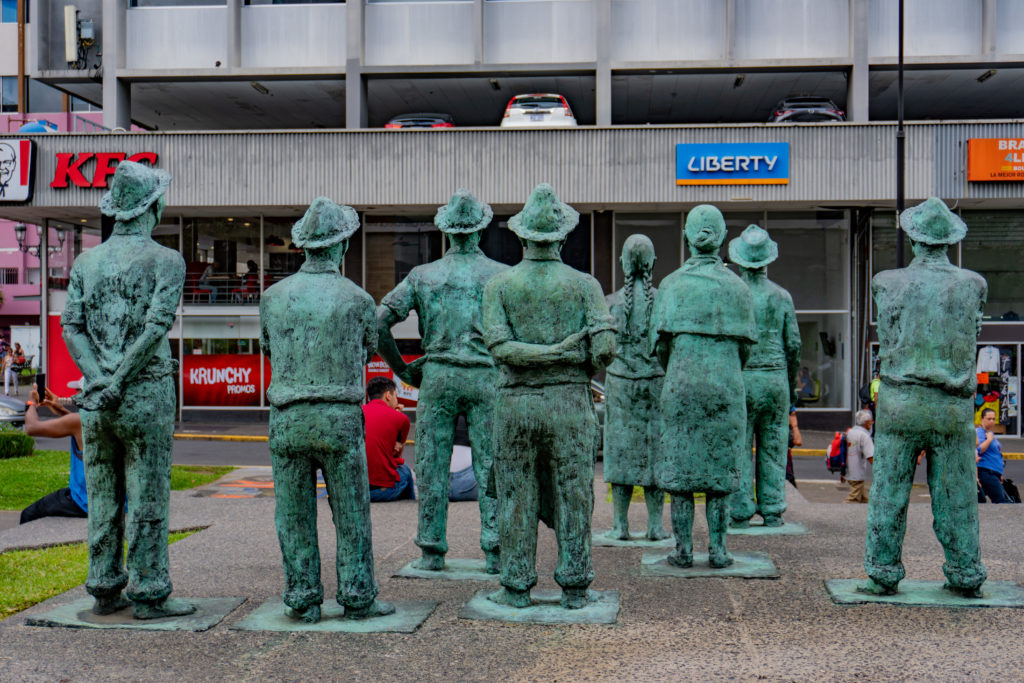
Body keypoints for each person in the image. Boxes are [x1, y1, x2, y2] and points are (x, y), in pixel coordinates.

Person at [62, 160, 195, 619]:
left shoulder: (86, 262)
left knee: (102, 494)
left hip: (96, 399)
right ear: (152, 207)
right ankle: (150, 591)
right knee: (148, 494)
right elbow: (157, 327)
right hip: (145, 392)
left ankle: (103, 587)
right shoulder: (166, 260)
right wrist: (117, 380)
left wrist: (98, 378)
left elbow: (71, 327)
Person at [482, 183, 616, 609]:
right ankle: (575, 584)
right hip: (569, 404)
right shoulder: (585, 286)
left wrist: (535, 357)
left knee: (515, 494)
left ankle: (516, 584)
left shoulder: (499, 286)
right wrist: (562, 354)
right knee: (574, 493)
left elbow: (501, 349)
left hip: (515, 404)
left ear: (522, 237)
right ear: (563, 236)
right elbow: (605, 350)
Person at [260, 197, 393, 623]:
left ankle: (303, 597)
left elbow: (268, 348)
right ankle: (357, 595)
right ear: (342, 247)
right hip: (338, 415)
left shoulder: (273, 297)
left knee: (293, 514)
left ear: (304, 246)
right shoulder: (357, 299)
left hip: (288, 417)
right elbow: (368, 349)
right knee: (351, 513)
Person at [862, 197, 988, 598]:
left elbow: (889, 337)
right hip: (952, 404)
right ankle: (965, 571)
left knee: (889, 492)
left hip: (901, 399)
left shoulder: (886, 281)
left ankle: (882, 570)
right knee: (958, 495)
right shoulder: (973, 285)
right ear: (948, 241)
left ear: (914, 240)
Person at [377, 189, 506, 573]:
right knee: (491, 464)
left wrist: (403, 370)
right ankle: (495, 549)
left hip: (438, 376)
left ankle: (431, 550)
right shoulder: (500, 276)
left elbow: (380, 322)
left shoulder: (423, 276)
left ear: (445, 231)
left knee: (432, 463)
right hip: (485, 376)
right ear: (481, 230)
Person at [651, 204, 756, 569]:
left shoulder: (670, 285)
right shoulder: (738, 288)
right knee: (720, 473)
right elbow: (745, 349)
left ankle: (682, 549)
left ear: (686, 238)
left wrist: (682, 368)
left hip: (681, 383)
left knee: (681, 475)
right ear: (724, 238)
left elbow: (661, 347)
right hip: (726, 385)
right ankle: (719, 549)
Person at [727, 224, 801, 528]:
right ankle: (772, 508)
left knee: (741, 447)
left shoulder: (734, 295)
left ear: (741, 261)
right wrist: (791, 384)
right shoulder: (781, 297)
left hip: (743, 378)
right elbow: (793, 345)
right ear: (767, 261)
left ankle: (741, 509)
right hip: (774, 380)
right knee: (773, 445)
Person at [602, 234, 668, 541]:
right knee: (654, 451)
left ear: (624, 264)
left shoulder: (610, 303)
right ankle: (655, 525)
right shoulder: (663, 302)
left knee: (619, 452)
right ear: (652, 263)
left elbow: (600, 350)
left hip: (619, 384)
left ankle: (620, 525)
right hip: (655, 383)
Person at [19, 386, 87, 524]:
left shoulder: (80, 421)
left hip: (82, 500)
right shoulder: (104, 418)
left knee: (28, 515)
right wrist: (60, 409)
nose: (75, 393)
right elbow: (76, 426)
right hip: (114, 500)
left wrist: (31, 403)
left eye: (78, 389)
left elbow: (32, 428)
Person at [363, 376, 414, 502]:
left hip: (357, 490)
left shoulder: (359, 412)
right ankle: (409, 506)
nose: (397, 401)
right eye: (395, 396)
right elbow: (395, 456)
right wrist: (396, 414)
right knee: (405, 470)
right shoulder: (401, 419)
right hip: (382, 490)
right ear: (388, 395)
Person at [976, 407, 1008, 503]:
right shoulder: (980, 432)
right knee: (1000, 500)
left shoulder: (989, 433)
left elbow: (995, 454)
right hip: (986, 472)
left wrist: (999, 474)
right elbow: (979, 450)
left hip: (993, 473)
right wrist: (989, 440)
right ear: (982, 419)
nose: (992, 421)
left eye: (993, 419)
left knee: (982, 500)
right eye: (989, 419)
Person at [844, 409, 874, 504]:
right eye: (871, 421)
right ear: (867, 423)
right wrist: (880, 470)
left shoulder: (851, 432)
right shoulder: (864, 436)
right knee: (852, 499)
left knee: (865, 499)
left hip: (849, 470)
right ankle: (839, 513)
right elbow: (870, 456)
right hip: (857, 474)